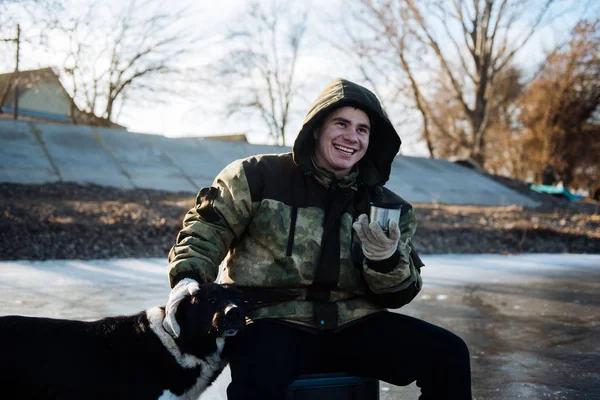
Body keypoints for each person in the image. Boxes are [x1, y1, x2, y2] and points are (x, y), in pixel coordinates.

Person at [165, 78, 472, 399]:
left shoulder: (388, 207)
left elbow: (400, 294)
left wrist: (387, 260)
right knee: (258, 377)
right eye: (341, 123)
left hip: (354, 323)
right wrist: (188, 278)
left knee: (448, 354)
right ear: (315, 129)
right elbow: (206, 228)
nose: (351, 137)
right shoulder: (255, 177)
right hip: (271, 320)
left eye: (362, 129)